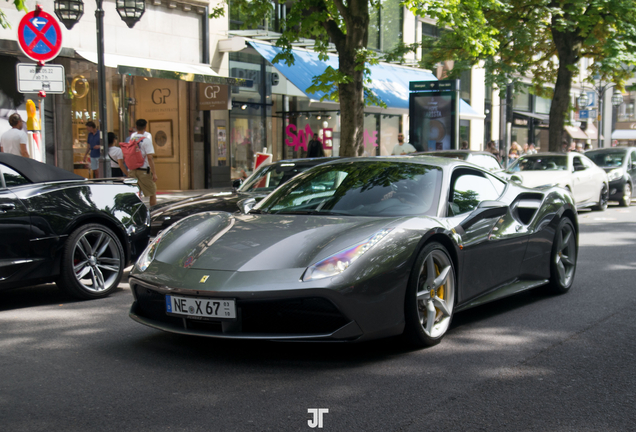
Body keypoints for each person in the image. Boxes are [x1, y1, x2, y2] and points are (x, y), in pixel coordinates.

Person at [128, 119, 158, 206]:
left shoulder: (132, 139)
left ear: (136, 127)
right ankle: (153, 212)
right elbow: (149, 157)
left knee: (136, 193)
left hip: (132, 169)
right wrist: (154, 173)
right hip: (143, 170)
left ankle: (137, 211)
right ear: (145, 127)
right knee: (152, 192)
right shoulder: (146, 140)